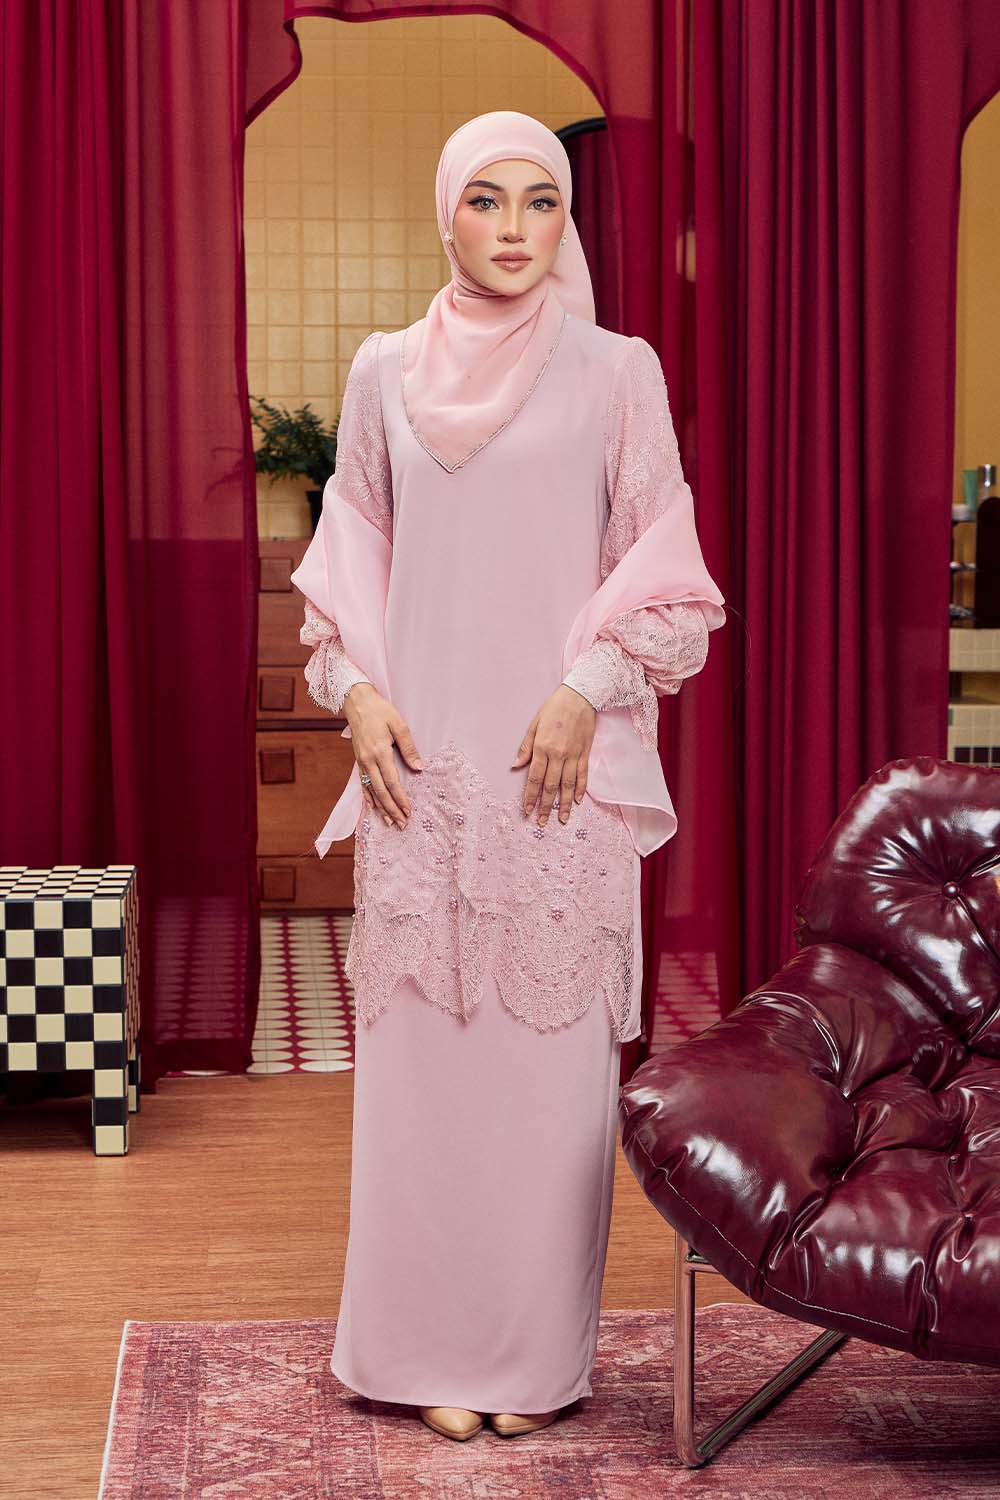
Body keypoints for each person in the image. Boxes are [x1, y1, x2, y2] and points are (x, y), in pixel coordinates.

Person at [289, 110, 726, 1443]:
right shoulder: (382, 372)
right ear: (448, 215)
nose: (516, 227)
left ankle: (528, 1363)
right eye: (487, 200)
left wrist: (585, 692)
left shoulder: (617, 373)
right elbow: (343, 578)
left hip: (555, 784)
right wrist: (356, 699)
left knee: (545, 1095)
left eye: (543, 200)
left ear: (566, 218)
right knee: (424, 1089)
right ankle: (419, 1349)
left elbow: (668, 585)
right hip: (423, 787)